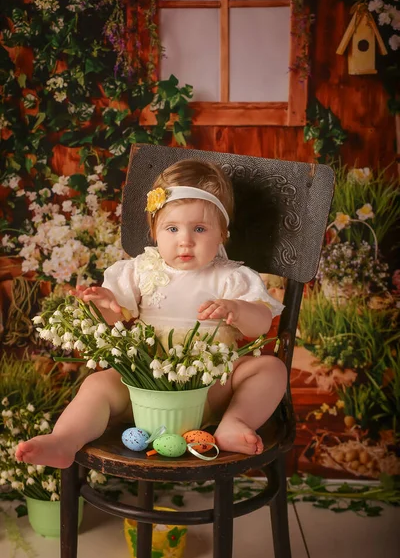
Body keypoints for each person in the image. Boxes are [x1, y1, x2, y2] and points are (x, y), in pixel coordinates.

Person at [16, 159, 287, 468]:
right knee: (98, 385)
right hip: (143, 385)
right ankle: (64, 439)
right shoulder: (141, 269)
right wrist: (103, 303)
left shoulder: (231, 277)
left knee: (270, 369)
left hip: (211, 388)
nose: (185, 240)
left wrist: (238, 309)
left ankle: (234, 422)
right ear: (155, 231)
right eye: (172, 228)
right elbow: (114, 319)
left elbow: (261, 324)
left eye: (200, 228)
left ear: (222, 234)